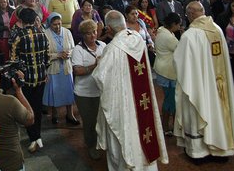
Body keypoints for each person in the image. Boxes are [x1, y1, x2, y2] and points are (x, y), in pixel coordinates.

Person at [93, 10, 168, 170]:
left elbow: (100, 78)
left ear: (109, 29)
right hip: (143, 100)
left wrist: (100, 62)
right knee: (144, 130)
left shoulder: (112, 49)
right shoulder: (137, 39)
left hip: (123, 102)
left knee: (125, 132)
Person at [174, 1, 234, 161]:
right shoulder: (217, 30)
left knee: (199, 112)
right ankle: (221, 149)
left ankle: (199, 152)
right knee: (219, 113)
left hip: (200, 86)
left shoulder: (190, 35)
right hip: (219, 86)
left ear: (190, 14)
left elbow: (180, 64)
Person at [10, 8, 49, 153]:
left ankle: (33, 138)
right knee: (37, 108)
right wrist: (44, 70)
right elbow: (47, 57)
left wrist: (18, 72)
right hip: (40, 77)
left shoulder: (18, 36)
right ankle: (37, 136)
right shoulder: (42, 34)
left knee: (27, 109)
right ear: (34, 20)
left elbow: (13, 60)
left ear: (21, 21)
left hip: (25, 79)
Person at [71, 19, 106, 160]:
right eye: (89, 33)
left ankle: (101, 141)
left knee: (101, 119)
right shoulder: (78, 50)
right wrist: (95, 65)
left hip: (101, 90)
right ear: (83, 35)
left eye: (94, 32)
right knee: (90, 121)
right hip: (84, 93)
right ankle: (91, 145)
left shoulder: (103, 45)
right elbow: (77, 71)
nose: (93, 35)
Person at [42, 13, 78, 126]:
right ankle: (55, 114)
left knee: (68, 91)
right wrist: (57, 55)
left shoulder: (67, 32)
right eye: (54, 24)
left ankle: (70, 114)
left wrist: (68, 53)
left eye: (59, 24)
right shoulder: (45, 34)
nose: (57, 27)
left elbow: (73, 48)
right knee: (54, 91)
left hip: (66, 67)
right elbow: (44, 54)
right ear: (49, 24)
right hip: (53, 68)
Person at [153, 12, 182, 136]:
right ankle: (166, 127)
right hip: (167, 71)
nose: (179, 27)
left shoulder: (163, 31)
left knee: (169, 99)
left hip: (163, 69)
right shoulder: (168, 37)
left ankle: (168, 126)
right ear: (173, 24)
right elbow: (180, 48)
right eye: (178, 25)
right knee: (170, 100)